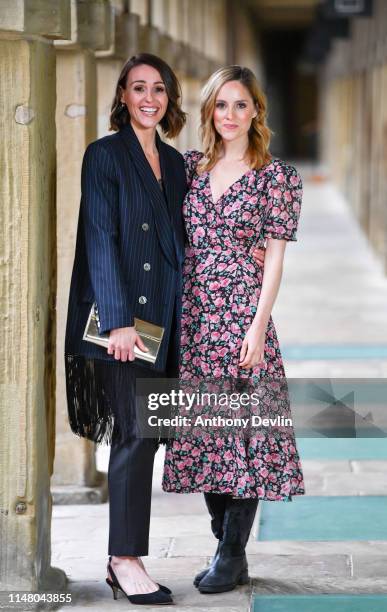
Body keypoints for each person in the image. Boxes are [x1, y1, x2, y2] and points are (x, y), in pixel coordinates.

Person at [162, 65, 306, 594]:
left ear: (255, 111)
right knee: (205, 433)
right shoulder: (187, 168)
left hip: (244, 314)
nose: (230, 115)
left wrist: (258, 325)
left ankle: (230, 552)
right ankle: (225, 539)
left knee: (245, 436)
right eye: (221, 105)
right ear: (209, 111)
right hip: (194, 315)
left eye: (240, 104)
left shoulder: (278, 177)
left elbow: (273, 260)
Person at [64, 53, 188, 605]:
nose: (149, 98)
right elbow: (99, 238)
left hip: (168, 316)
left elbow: (188, 234)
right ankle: (124, 559)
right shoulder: (103, 155)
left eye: (158, 89)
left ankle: (127, 553)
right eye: (138, 87)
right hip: (124, 320)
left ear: (169, 99)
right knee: (136, 435)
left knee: (152, 435)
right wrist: (116, 321)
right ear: (121, 95)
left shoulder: (176, 161)